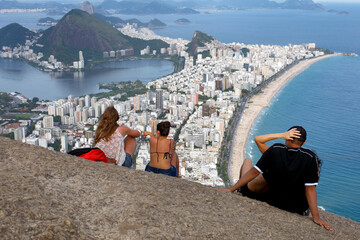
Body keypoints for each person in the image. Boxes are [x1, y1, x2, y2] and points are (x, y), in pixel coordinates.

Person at [220, 126, 332, 231]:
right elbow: (310, 188)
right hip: (295, 207)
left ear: (287, 138)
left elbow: (254, 172)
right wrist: (316, 217)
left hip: (269, 198)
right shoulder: (311, 157)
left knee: (247, 161)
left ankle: (240, 189)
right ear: (304, 142)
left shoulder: (276, 149)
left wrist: (231, 189)